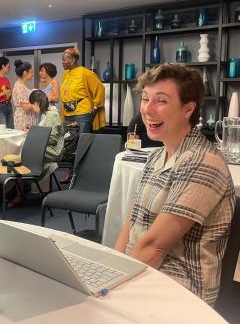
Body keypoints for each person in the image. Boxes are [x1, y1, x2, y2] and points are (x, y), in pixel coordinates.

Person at [114, 63, 235, 306]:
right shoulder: (157, 156)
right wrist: (110, 266)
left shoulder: (202, 162)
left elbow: (155, 247)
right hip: (140, 273)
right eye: (145, 99)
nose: (147, 110)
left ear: (188, 108)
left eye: (161, 101)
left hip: (180, 290)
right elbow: (133, 219)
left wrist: (111, 286)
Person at [60, 47, 106, 133]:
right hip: (67, 113)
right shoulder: (65, 74)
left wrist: (95, 107)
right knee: (69, 141)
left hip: (82, 113)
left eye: (64, 60)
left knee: (82, 142)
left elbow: (100, 88)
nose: (62, 62)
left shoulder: (85, 73)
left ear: (72, 60)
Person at [28, 90, 64, 177]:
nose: (33, 108)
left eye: (32, 106)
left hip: (54, 150)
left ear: (36, 103)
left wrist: (33, 134)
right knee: (25, 148)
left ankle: (28, 180)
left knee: (25, 150)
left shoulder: (52, 115)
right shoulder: (46, 113)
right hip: (48, 147)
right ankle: (26, 181)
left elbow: (52, 139)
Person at [12, 60, 38, 130]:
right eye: (31, 72)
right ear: (25, 73)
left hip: (25, 118)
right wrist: (36, 104)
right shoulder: (20, 86)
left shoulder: (20, 85)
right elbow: (25, 106)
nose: (32, 74)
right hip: (24, 120)